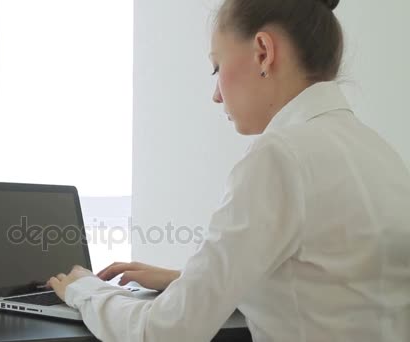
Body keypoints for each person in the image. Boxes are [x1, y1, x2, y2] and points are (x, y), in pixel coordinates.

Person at [46, 0, 410, 340]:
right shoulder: (380, 154)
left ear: (263, 52)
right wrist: (187, 281)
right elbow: (330, 288)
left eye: (217, 67)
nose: (216, 95)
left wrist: (85, 289)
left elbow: (164, 332)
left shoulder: (279, 156)